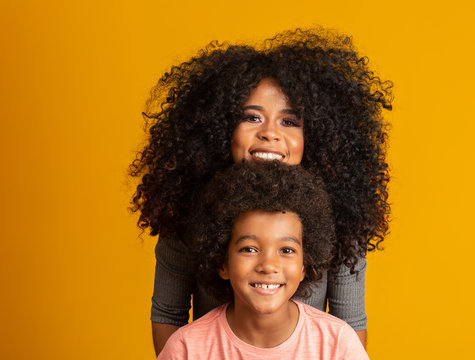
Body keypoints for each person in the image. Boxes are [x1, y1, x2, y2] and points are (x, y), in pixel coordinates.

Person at [129, 27, 392, 354]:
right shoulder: (186, 212)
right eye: (252, 117)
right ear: (222, 128)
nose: (269, 133)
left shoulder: (339, 224)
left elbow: (349, 326)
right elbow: (169, 313)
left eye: (289, 122)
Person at [157, 161, 368, 359]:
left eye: (286, 250)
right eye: (249, 249)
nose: (268, 266)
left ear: (305, 265)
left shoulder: (338, 344)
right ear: (222, 263)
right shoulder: (186, 348)